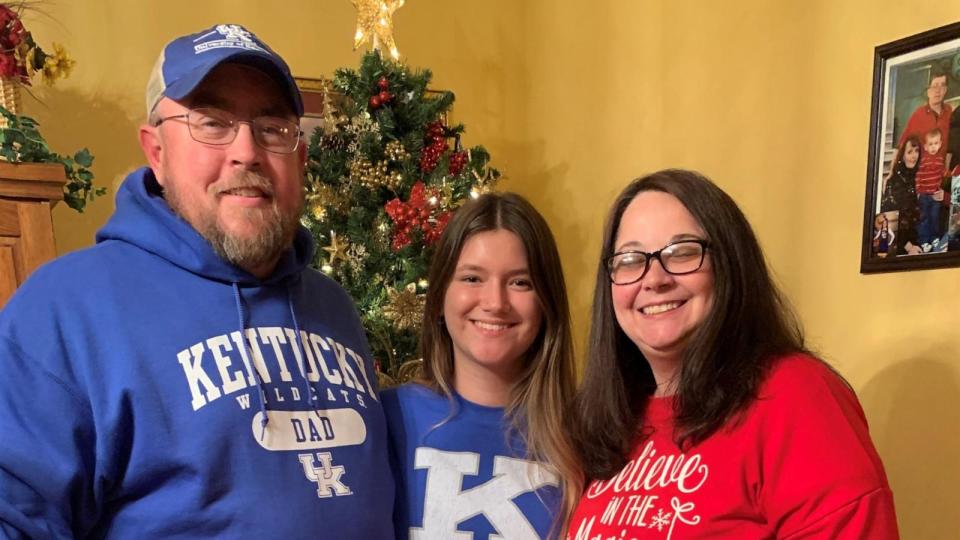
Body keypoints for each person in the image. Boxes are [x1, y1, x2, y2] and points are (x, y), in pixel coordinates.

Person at [0, 24, 393, 538]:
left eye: (272, 126)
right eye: (212, 122)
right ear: (156, 152)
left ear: (299, 156)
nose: (247, 151)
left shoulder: (333, 306)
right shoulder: (63, 312)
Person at [568, 169, 899, 539]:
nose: (654, 278)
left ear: (729, 264)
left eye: (682, 252)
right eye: (629, 259)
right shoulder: (606, 418)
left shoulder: (795, 394)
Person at [381, 193, 580, 539]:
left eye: (520, 282)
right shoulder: (386, 418)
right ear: (441, 297)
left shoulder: (583, 436)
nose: (495, 303)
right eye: (472, 278)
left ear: (547, 304)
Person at [880, 135, 921, 255]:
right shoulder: (895, 181)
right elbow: (890, 221)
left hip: (912, 241)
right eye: (909, 152)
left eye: (917, 151)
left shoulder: (912, 177)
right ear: (902, 156)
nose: (914, 156)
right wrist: (909, 247)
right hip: (898, 245)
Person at [916, 128, 948, 250]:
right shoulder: (923, 160)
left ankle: (934, 238)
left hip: (935, 195)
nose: (933, 147)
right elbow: (918, 175)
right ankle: (924, 240)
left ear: (940, 144)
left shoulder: (940, 160)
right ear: (925, 146)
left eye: (936, 143)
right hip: (924, 194)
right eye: (930, 144)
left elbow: (942, 175)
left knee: (935, 217)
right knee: (924, 218)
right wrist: (918, 191)